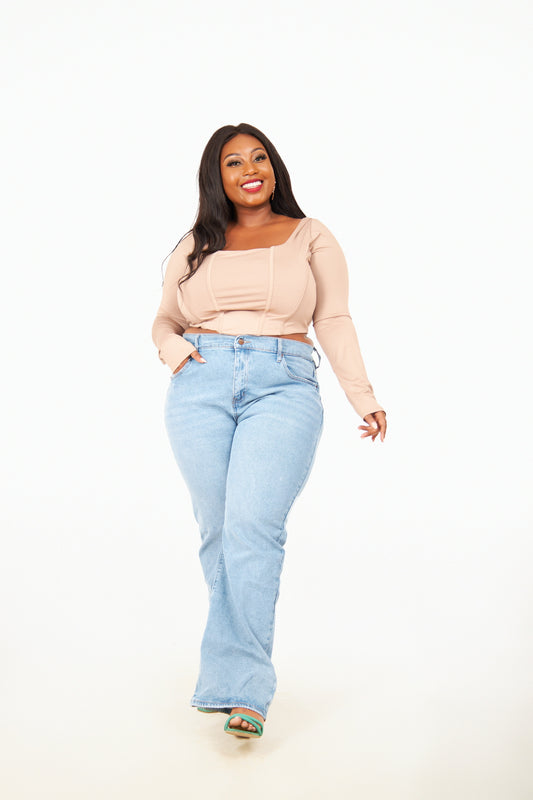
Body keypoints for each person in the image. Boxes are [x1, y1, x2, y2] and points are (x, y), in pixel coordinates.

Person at [151, 122, 387, 739]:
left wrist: (362, 395)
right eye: (233, 162)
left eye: (259, 158)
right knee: (218, 531)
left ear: (274, 168)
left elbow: (333, 317)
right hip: (198, 383)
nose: (249, 169)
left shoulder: (310, 234)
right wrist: (177, 355)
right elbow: (164, 320)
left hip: (282, 381)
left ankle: (244, 689)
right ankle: (233, 674)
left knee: (253, 527)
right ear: (217, 177)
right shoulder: (196, 243)